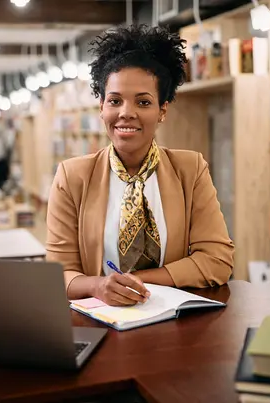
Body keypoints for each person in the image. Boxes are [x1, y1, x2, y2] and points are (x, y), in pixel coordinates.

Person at [46, 25, 234, 307]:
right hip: (101, 321)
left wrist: (140, 281)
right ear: (101, 107)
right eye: (115, 100)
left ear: (162, 111)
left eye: (143, 102)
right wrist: (100, 286)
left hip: (173, 321)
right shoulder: (72, 177)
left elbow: (217, 260)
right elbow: (58, 274)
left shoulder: (190, 170)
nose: (126, 113)